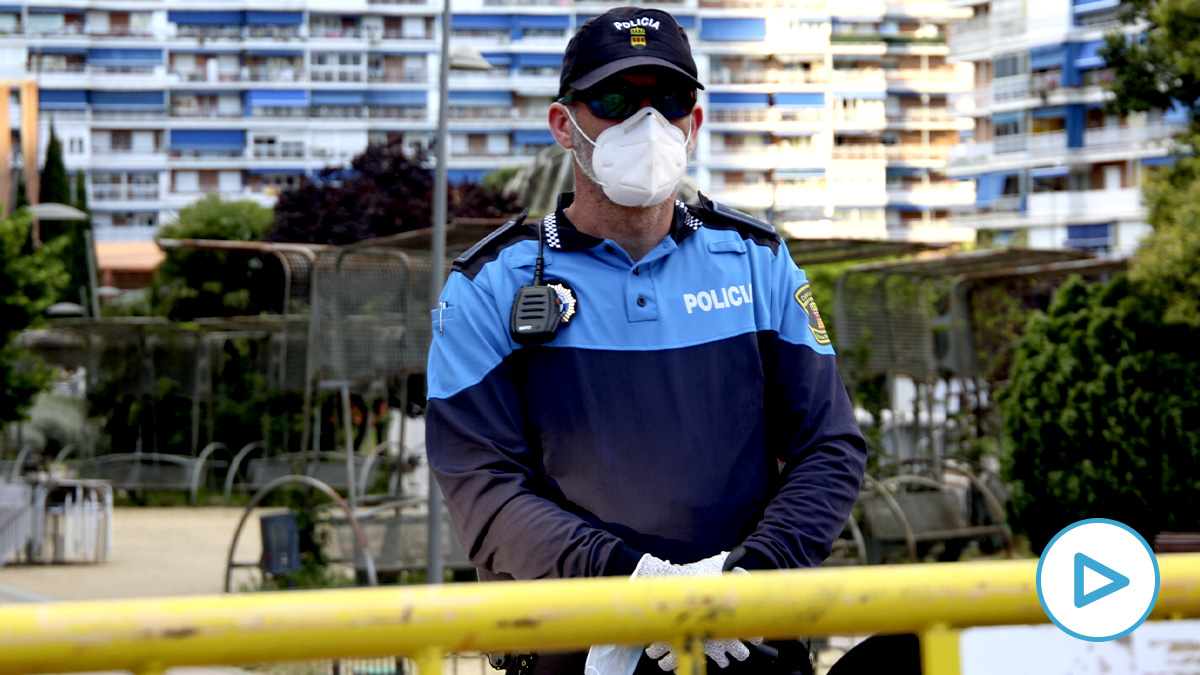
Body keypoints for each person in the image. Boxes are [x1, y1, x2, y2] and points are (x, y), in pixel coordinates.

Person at [425, 7, 868, 674]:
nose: (646, 122)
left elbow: (830, 446)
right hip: (573, 652)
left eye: (669, 99)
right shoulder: (488, 285)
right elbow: (480, 484)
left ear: (693, 123)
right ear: (563, 124)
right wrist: (628, 582)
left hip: (748, 645)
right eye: (613, 99)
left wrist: (752, 577)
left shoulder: (759, 263)